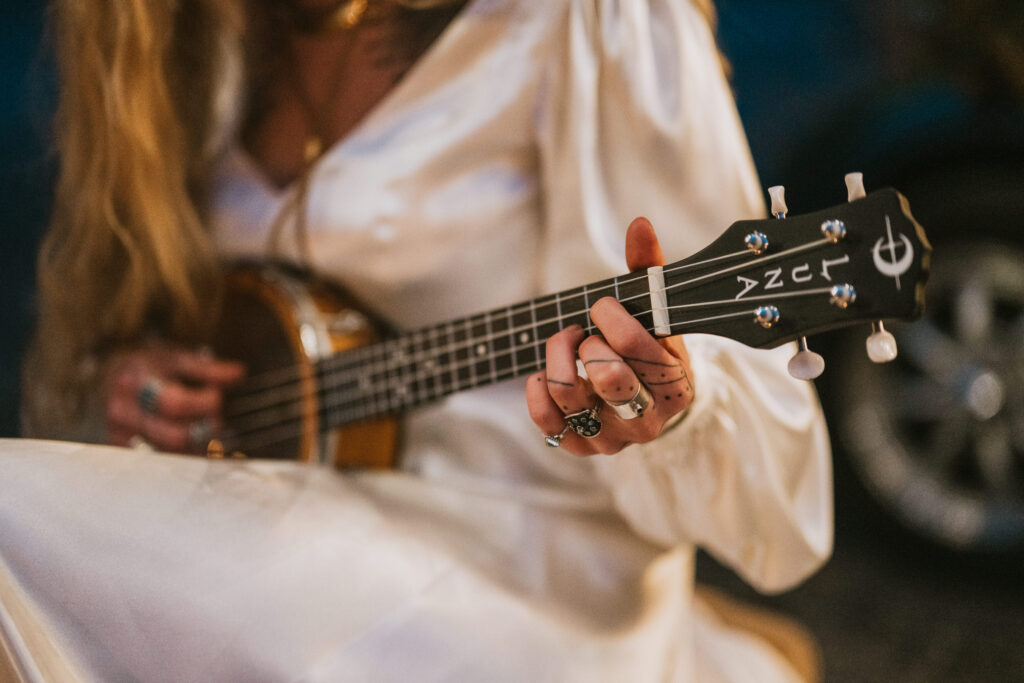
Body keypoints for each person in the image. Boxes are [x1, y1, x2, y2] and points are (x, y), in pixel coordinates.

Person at [17, 0, 832, 680]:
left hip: (524, 574)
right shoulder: (201, 34)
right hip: (276, 515)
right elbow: (155, 320)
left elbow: (757, 433)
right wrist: (131, 381)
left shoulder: (592, 21)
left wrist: (666, 408)